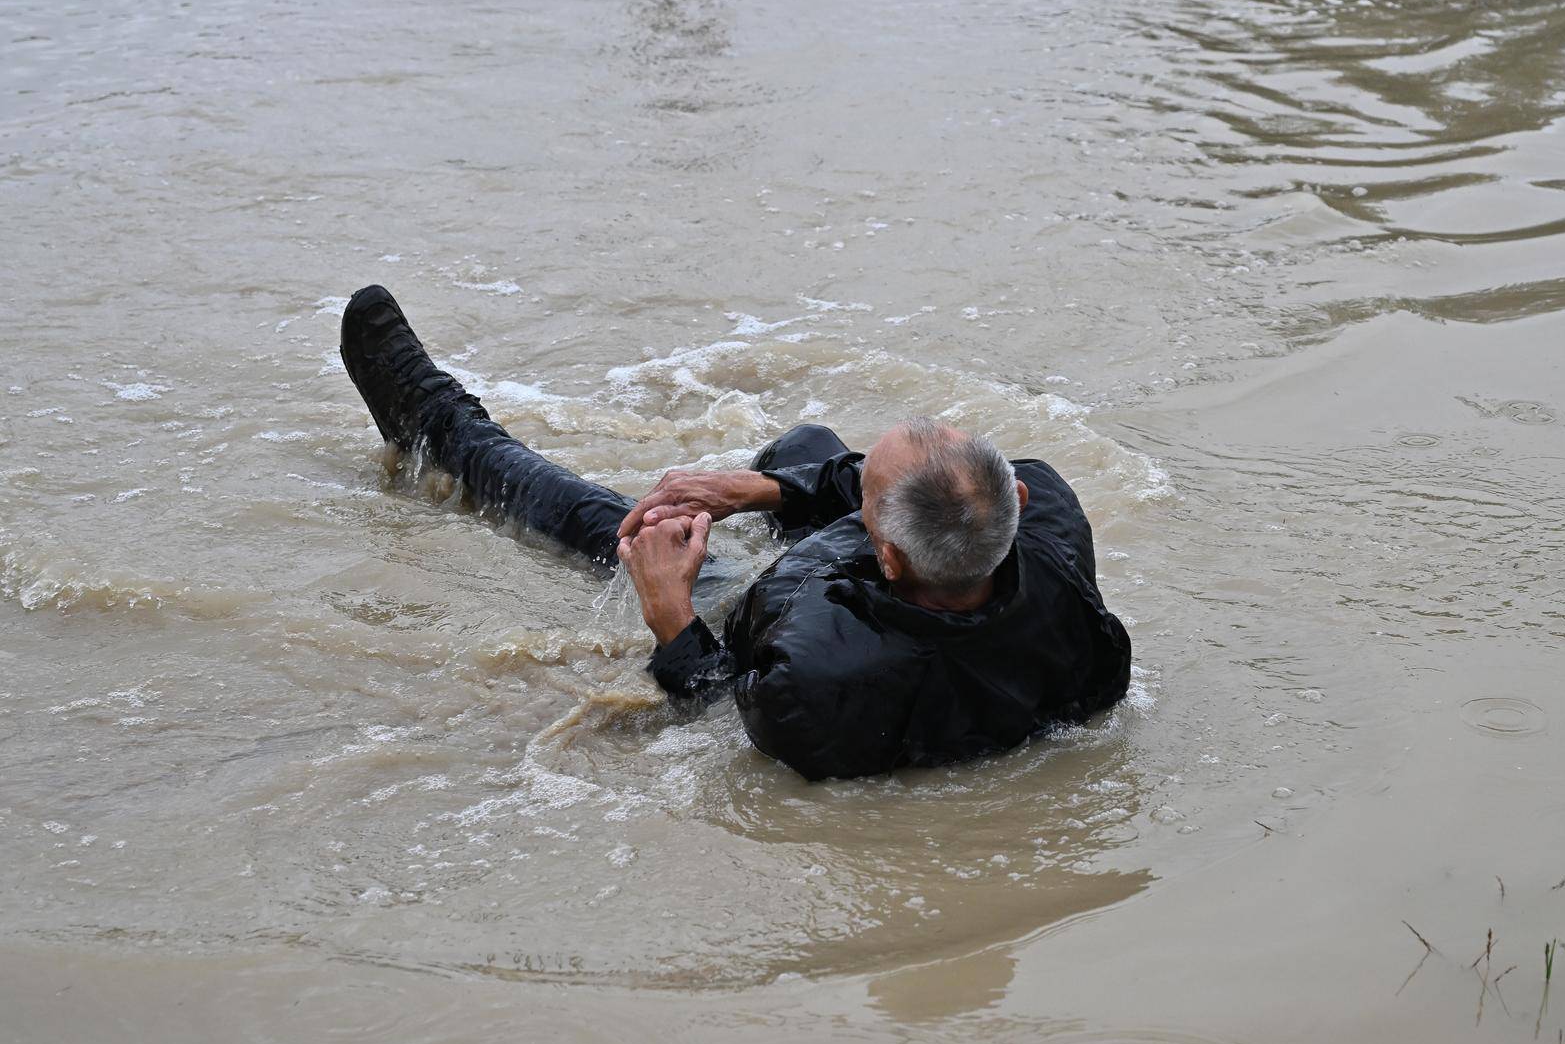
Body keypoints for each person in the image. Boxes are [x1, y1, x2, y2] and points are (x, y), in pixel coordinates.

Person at [341, 285, 1131, 780]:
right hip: (911, 595)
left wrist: (671, 615)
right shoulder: (1051, 526)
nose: (856, 493)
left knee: (594, 516)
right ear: (1015, 498)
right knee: (807, 445)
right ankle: (780, 473)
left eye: (866, 498)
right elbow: (865, 497)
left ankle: (437, 422)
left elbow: (723, 702)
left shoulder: (819, 674)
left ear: (882, 552)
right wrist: (765, 490)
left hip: (754, 607)